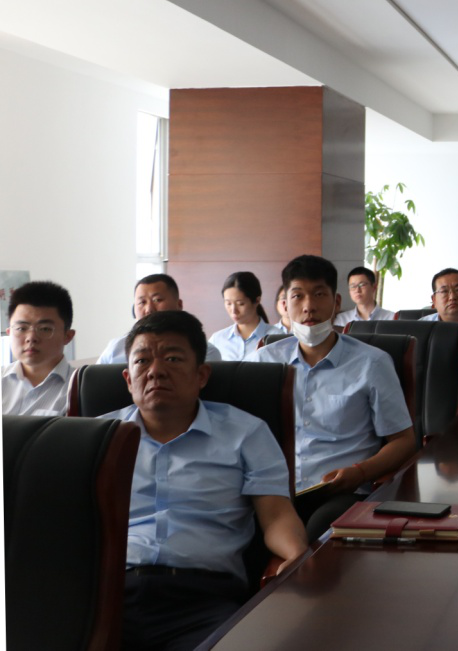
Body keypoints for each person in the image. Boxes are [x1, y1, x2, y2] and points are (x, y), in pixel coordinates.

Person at [103, 309, 307, 651]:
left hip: (204, 600)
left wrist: (297, 554)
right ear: (127, 378)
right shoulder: (97, 437)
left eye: (172, 358)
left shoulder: (246, 433)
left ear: (201, 374)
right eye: (141, 361)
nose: (155, 371)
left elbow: (275, 515)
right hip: (107, 597)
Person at [247, 255, 414, 540]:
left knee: (317, 537)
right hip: (274, 491)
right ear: (285, 304)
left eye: (319, 294)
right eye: (298, 296)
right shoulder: (263, 363)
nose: (309, 306)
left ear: (336, 302)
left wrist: (361, 472)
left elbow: (403, 440)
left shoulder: (372, 363)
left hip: (342, 493)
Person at [97, 274, 221, 364]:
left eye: (157, 300)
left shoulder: (206, 352)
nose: (149, 309)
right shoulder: (116, 348)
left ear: (179, 305)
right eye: (142, 302)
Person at [2, 281, 76, 416]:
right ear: (9, 333)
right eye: (21, 328)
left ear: (68, 336)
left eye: (45, 329)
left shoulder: (82, 389)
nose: (31, 338)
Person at [210, 271, 282, 361]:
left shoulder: (278, 338)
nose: (233, 311)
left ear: (257, 301)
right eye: (228, 303)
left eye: (240, 304)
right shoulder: (217, 340)